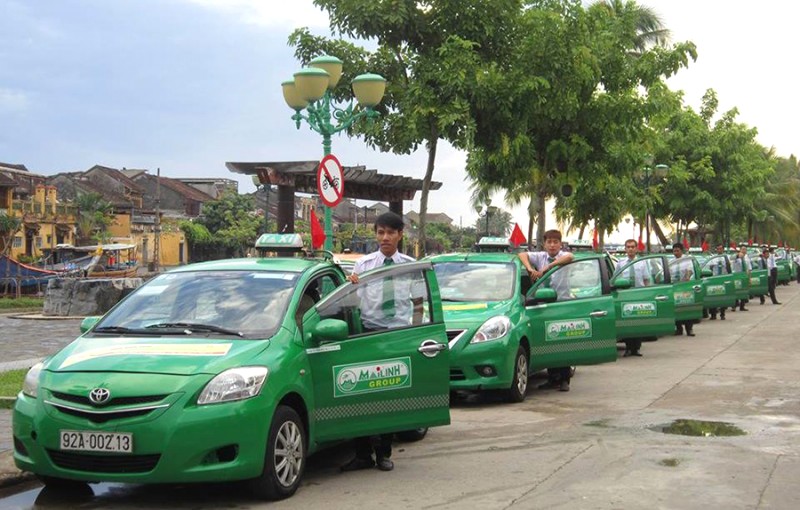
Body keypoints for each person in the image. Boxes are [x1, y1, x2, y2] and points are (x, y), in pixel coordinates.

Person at [340, 211, 413, 473]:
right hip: (369, 335)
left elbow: (418, 304)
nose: (385, 237)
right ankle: (362, 454)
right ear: (375, 235)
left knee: (389, 394)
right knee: (363, 393)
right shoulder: (363, 266)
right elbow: (353, 303)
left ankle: (384, 453)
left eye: (390, 233)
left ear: (399, 235)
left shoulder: (409, 265)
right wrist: (349, 285)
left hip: (397, 336)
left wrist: (417, 334)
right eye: (380, 232)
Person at [518, 229, 575, 391]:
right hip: (544, 305)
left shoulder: (563, 256)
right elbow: (522, 255)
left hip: (561, 304)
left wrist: (547, 267)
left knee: (562, 341)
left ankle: (564, 379)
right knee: (549, 340)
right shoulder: (539, 256)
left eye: (555, 242)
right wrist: (530, 269)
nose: (552, 245)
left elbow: (570, 258)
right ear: (544, 243)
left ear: (560, 244)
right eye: (549, 242)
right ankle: (552, 378)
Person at [615, 239, 650, 356]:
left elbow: (646, 280)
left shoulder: (642, 262)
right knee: (627, 322)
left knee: (638, 322)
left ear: (636, 248)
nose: (630, 249)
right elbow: (616, 279)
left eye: (632, 247)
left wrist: (647, 295)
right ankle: (629, 348)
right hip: (625, 296)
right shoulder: (620, 263)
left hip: (638, 295)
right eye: (628, 247)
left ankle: (637, 348)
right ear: (625, 249)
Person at [670, 243, 696, 337]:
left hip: (685, 286)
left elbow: (690, 270)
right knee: (677, 309)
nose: (676, 253)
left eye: (677, 250)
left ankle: (689, 329)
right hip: (675, 287)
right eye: (674, 251)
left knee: (687, 308)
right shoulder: (671, 262)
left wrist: (687, 277)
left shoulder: (687, 260)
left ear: (682, 250)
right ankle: (679, 329)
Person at [708, 245, 731, 320]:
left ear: (723, 249)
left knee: (723, 297)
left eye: (720, 248)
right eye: (717, 249)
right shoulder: (713, 258)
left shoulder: (727, 257)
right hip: (715, 279)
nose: (719, 250)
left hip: (724, 279)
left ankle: (722, 314)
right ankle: (713, 314)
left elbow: (729, 267)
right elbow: (710, 268)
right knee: (713, 296)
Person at [731, 245, 751, 312]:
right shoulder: (736, 257)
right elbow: (731, 258)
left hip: (744, 276)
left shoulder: (747, 258)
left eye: (745, 249)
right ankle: (734, 306)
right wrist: (737, 256)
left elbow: (749, 269)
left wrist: (749, 278)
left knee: (744, 291)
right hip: (737, 276)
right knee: (736, 291)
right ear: (740, 250)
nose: (744, 251)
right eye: (742, 249)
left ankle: (742, 306)